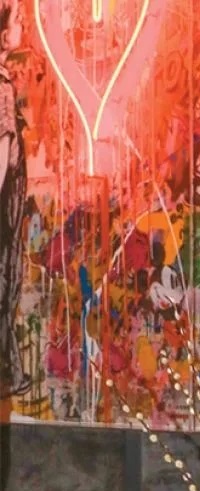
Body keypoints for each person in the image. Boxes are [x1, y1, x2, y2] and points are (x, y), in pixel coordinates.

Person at [0, 0, 28, 398]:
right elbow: (3, 153)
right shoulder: (3, 89)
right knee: (6, 285)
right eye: (19, 19)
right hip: (5, 212)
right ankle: (10, 371)